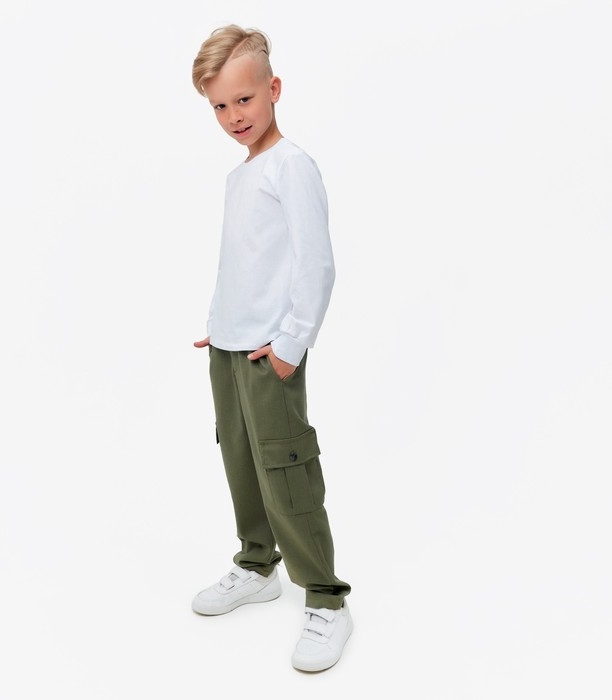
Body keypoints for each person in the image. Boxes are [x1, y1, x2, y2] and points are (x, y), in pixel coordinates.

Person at [190, 24, 352, 673]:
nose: (234, 116)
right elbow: (244, 262)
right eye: (220, 106)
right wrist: (220, 323)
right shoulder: (240, 176)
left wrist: (290, 345)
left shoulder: (292, 166)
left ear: (274, 89)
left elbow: (316, 265)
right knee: (241, 461)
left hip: (268, 353)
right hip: (229, 349)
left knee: (286, 468)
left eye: (244, 99)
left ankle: (326, 599)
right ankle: (258, 565)